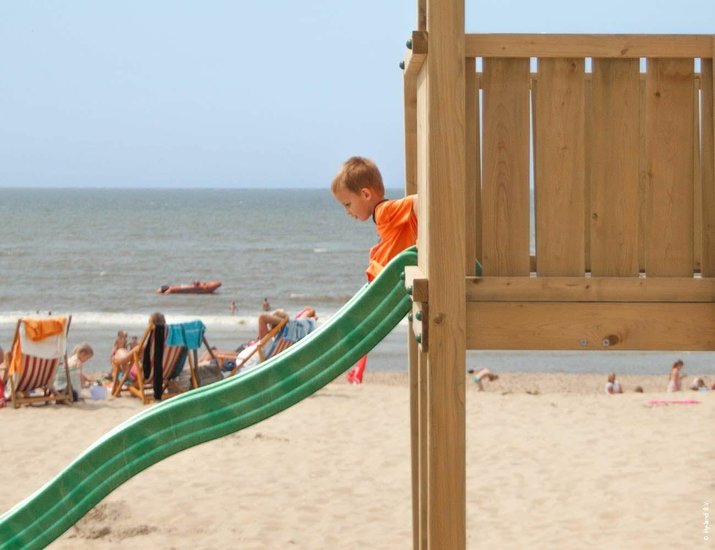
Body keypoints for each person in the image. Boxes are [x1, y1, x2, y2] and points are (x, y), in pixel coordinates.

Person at [331, 156, 418, 384]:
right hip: (392, 279)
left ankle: (349, 345)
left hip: (391, 282)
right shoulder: (383, 216)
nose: (348, 211)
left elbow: (419, 201)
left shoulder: (383, 211)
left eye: (348, 204)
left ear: (366, 194)